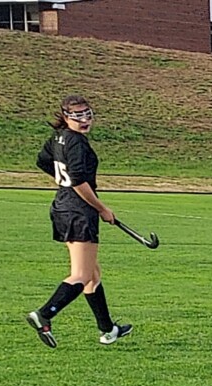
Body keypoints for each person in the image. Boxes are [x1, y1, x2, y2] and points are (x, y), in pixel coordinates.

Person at [27, 95, 130, 348]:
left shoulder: (58, 137)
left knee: (92, 273)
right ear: (66, 116)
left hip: (62, 207)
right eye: (78, 116)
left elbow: (43, 160)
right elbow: (78, 181)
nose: (85, 120)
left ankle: (108, 330)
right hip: (79, 212)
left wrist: (61, 180)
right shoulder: (77, 143)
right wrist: (102, 208)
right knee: (81, 275)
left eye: (87, 114)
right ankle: (44, 314)